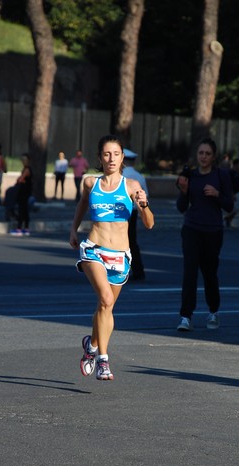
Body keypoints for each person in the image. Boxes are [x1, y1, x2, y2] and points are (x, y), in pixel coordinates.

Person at [69, 134, 154, 381]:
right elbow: (82, 205)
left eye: (116, 154)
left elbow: (149, 224)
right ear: (100, 157)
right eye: (107, 154)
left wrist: (144, 204)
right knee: (105, 298)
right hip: (93, 249)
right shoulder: (89, 182)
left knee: (106, 307)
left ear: (122, 157)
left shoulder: (131, 186)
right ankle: (103, 360)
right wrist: (73, 228)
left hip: (120, 255)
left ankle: (91, 347)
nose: (111, 158)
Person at [176, 137, 234, 332]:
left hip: (213, 230)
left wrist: (217, 194)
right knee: (189, 273)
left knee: (210, 273)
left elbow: (230, 205)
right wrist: (184, 191)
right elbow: (181, 207)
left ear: (213, 156)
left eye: (207, 153)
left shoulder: (221, 175)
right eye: (201, 153)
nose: (203, 156)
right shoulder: (190, 175)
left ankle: (213, 311)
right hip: (192, 228)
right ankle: (186, 316)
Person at [123, 148, 149, 280]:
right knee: (132, 241)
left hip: (120, 212)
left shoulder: (120, 174)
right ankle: (138, 270)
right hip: (133, 211)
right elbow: (145, 196)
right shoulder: (139, 176)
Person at [10, 153, 33, 236]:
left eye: (25, 160)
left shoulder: (27, 169)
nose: (23, 161)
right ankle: (26, 228)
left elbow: (20, 179)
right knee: (25, 210)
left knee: (22, 210)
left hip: (24, 192)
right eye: (22, 160)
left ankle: (19, 228)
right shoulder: (26, 169)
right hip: (24, 191)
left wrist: (19, 179)